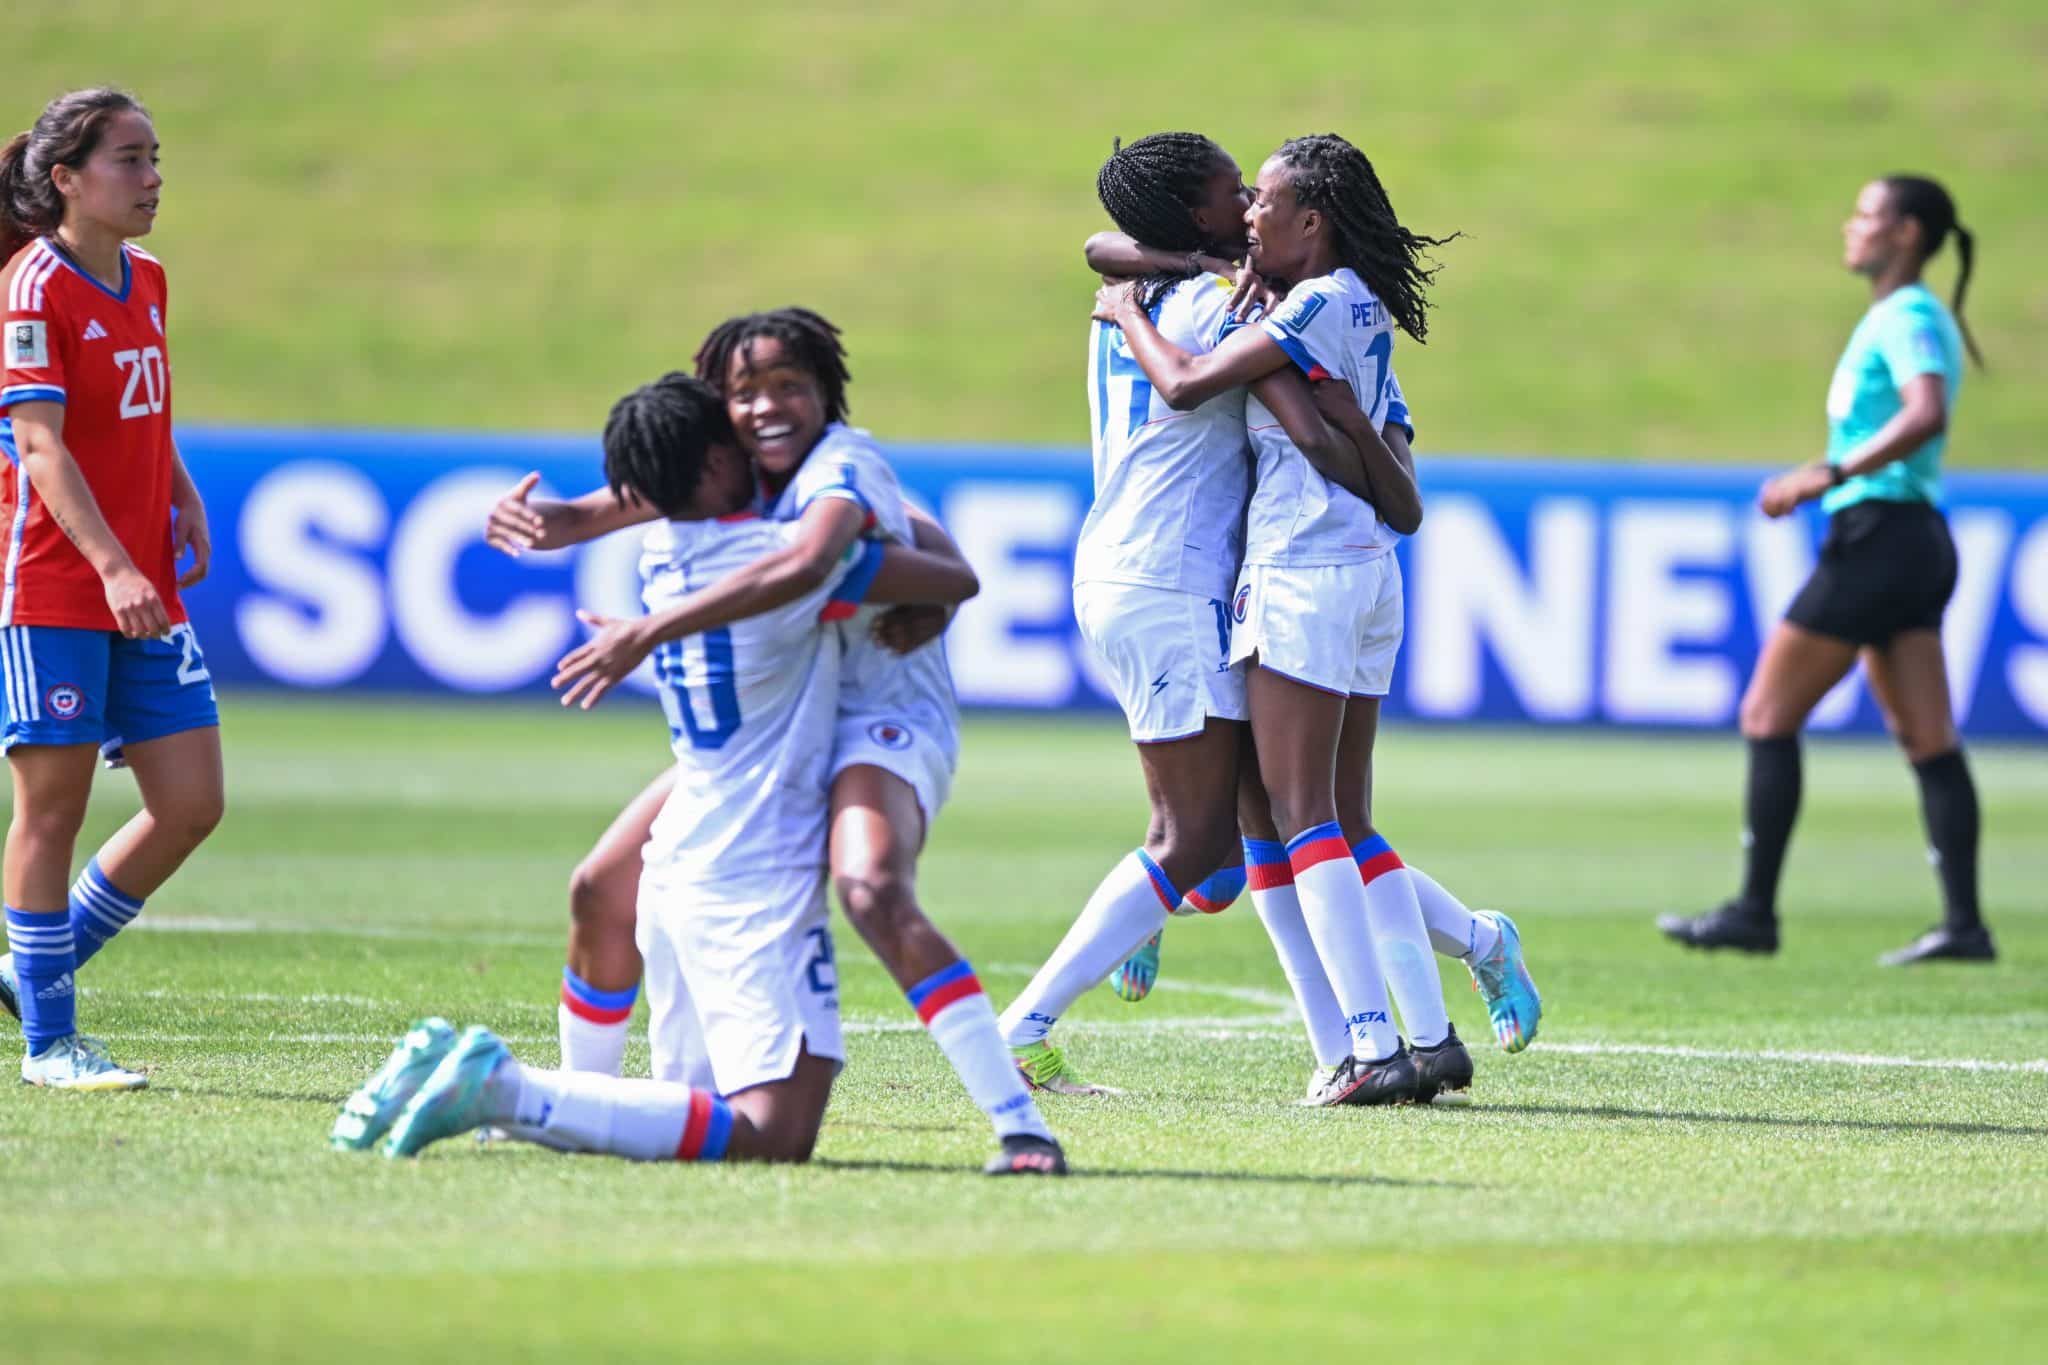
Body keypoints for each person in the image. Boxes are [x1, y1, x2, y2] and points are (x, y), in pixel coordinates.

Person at [337, 373, 1060, 1170]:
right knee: (774, 1132)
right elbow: (941, 577)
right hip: (755, 863)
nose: (755, 415)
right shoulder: (789, 558)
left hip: (685, 846)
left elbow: (648, 503)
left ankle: (545, 1099)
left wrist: (601, 566)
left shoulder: (664, 549)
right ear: (719, 455)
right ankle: (511, 1090)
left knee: (680, 1064)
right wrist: (914, 561)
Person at [993, 132, 1430, 1101]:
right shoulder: (1214, 308)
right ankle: (1023, 1027)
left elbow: (1099, 251)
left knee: (1257, 827)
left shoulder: (1145, 295)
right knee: (1198, 840)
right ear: (1196, 218)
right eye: (1231, 195)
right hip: (1169, 578)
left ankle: (1345, 1048)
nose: (1244, 210)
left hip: (1143, 570)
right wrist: (1362, 445)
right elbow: (1266, 403)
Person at [1095, 133, 1479, 1106]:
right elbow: (1377, 482)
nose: (1250, 215)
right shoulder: (1357, 306)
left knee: (1297, 817)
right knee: (1330, 818)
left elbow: (1183, 385)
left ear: (1310, 220)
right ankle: (1426, 1038)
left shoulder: (1302, 305)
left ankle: (1366, 1046)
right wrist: (1346, 430)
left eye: (1262, 201)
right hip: (1364, 574)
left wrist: (1124, 316)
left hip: (1299, 571)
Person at [1659, 176, 1992, 966]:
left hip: (1879, 536)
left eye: (1869, 215)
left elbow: (1925, 412)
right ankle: (1965, 926)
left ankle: (1754, 911)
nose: (1853, 227)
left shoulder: (1908, 314)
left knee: (1767, 713)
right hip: (1910, 539)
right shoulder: (1898, 315)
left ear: (1907, 233)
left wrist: (1827, 472)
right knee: (1928, 736)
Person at [0, 88, 222, 1090]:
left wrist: (179, 494)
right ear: (65, 180)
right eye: (129, 160)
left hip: (140, 583)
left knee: (191, 803)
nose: (152, 178)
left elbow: (143, 408)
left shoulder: (151, 279)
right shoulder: (32, 287)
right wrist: (113, 564)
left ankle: (29, 973)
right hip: (57, 582)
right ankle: (51, 1043)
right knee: (54, 809)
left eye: (155, 157)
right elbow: (40, 447)